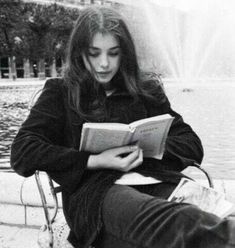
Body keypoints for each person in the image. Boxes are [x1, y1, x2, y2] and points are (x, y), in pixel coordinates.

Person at [11, 5, 235, 248]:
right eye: (94, 53)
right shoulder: (60, 92)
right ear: (79, 52)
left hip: (154, 182)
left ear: (124, 53)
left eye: (113, 53)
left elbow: (191, 144)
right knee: (177, 219)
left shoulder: (146, 91)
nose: (104, 63)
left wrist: (146, 151)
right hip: (95, 196)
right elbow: (23, 151)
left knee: (180, 221)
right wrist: (95, 160)